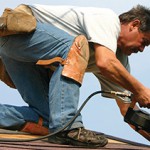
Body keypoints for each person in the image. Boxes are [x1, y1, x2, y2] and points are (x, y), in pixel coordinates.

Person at [0, 3, 150, 148]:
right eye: (144, 41)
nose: (142, 49)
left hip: (22, 58)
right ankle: (68, 127)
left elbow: (128, 110)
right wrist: (141, 91)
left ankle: (63, 127)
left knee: (48, 120)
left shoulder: (117, 60)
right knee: (76, 46)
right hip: (19, 32)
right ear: (134, 25)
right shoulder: (108, 19)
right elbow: (105, 62)